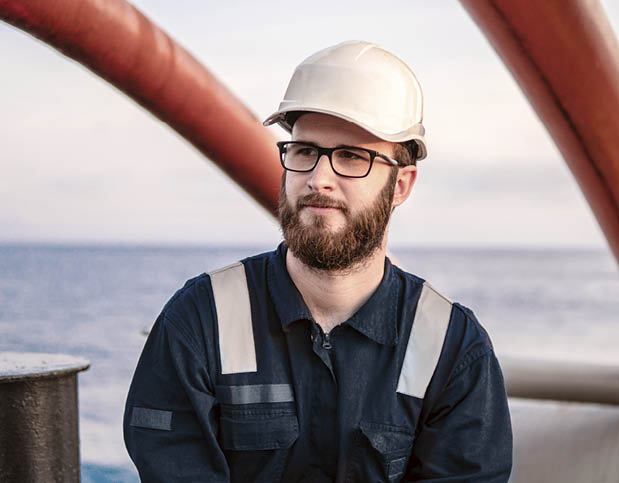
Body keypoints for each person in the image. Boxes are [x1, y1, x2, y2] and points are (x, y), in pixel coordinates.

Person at [124, 41, 513, 482]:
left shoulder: (452, 347)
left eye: (352, 156)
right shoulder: (201, 319)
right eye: (305, 150)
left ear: (401, 185)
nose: (318, 179)